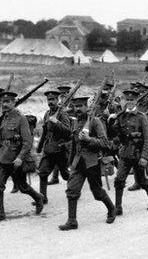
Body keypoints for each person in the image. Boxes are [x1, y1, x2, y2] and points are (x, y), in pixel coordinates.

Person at [0, 91, 44, 222]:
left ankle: (38, 198)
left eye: (8, 102)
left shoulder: (21, 118)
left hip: (16, 159)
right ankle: (0, 214)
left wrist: (20, 157)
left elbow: (28, 142)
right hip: (4, 156)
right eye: (3, 102)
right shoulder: (2, 117)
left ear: (14, 103)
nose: (5, 104)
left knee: (23, 187)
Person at [59, 97, 116, 230]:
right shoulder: (75, 122)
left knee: (97, 192)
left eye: (80, 106)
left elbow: (105, 143)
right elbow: (74, 144)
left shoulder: (95, 122)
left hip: (92, 163)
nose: (77, 109)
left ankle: (111, 208)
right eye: (76, 106)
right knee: (72, 190)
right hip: (78, 163)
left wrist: (89, 139)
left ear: (87, 107)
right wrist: (71, 162)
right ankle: (72, 221)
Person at [109, 89, 148, 215]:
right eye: (127, 100)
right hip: (125, 153)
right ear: (124, 101)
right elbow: (115, 133)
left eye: (132, 100)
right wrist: (111, 121)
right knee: (119, 180)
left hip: (138, 154)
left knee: (142, 181)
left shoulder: (142, 117)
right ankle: (118, 207)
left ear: (136, 101)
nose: (129, 102)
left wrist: (145, 157)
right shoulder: (120, 116)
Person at [37, 91, 71, 204]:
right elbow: (45, 132)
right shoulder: (47, 114)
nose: (50, 102)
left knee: (65, 174)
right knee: (42, 172)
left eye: (52, 100)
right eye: (48, 100)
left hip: (60, 149)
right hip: (48, 149)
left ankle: (74, 190)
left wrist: (57, 122)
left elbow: (68, 131)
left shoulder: (62, 114)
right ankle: (43, 198)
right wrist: (40, 146)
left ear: (57, 100)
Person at [47, 85, 73, 185]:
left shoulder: (73, 103)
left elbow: (75, 114)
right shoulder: (58, 104)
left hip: (70, 130)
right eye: (61, 94)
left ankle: (76, 178)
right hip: (59, 133)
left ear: (68, 93)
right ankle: (55, 177)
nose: (63, 96)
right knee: (57, 153)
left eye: (64, 94)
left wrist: (67, 111)